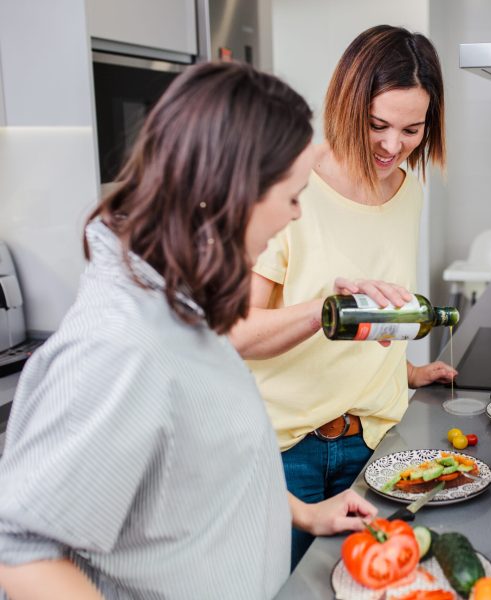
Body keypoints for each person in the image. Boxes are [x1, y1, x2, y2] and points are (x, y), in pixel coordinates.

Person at [0, 62, 376, 599]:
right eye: (292, 196)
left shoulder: (184, 312)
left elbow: (202, 468)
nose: (296, 214)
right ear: (235, 191)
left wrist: (305, 515)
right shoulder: (122, 347)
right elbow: (20, 550)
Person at [228, 25, 454, 567]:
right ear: (347, 104)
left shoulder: (409, 189)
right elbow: (236, 333)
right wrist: (323, 314)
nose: (393, 146)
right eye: (378, 125)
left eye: (412, 129)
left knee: (366, 582)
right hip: (288, 450)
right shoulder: (292, 182)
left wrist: (404, 370)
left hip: (375, 440)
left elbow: (381, 306)